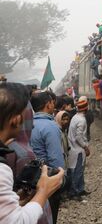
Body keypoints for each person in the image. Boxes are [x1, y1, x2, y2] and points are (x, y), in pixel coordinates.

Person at [0, 83, 65, 224]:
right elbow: (16, 221)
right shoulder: (3, 168)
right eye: (28, 116)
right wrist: (43, 191)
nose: (32, 123)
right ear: (16, 120)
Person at [30, 92, 66, 221]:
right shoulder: (51, 126)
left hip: (30, 178)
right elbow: (55, 157)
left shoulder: (28, 124)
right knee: (50, 215)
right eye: (52, 102)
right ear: (48, 104)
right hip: (47, 179)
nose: (54, 105)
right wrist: (61, 180)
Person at [67, 98, 89, 200]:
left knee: (78, 170)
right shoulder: (82, 120)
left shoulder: (75, 117)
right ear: (86, 108)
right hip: (78, 150)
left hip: (73, 148)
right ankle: (75, 192)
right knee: (78, 171)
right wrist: (85, 146)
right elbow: (78, 137)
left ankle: (80, 189)